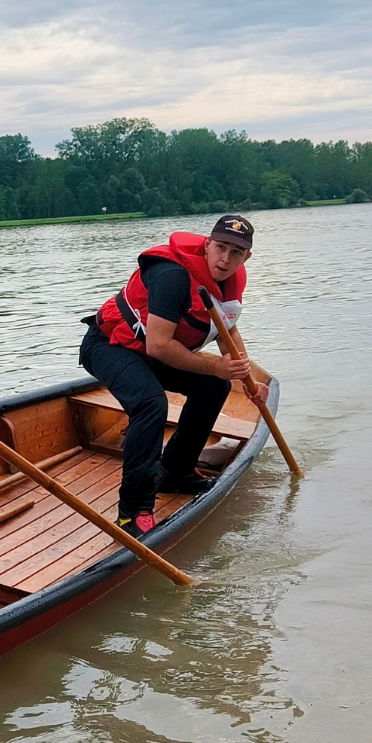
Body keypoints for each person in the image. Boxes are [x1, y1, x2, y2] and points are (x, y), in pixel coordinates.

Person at [78, 214, 263, 542]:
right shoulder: (172, 275)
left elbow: (227, 327)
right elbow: (160, 345)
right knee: (150, 403)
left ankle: (175, 472)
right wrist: (217, 366)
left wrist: (247, 381)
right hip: (109, 345)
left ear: (246, 257)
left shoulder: (230, 279)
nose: (226, 258)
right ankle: (132, 512)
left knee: (214, 386)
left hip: (147, 350)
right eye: (220, 247)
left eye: (236, 253)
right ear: (207, 245)